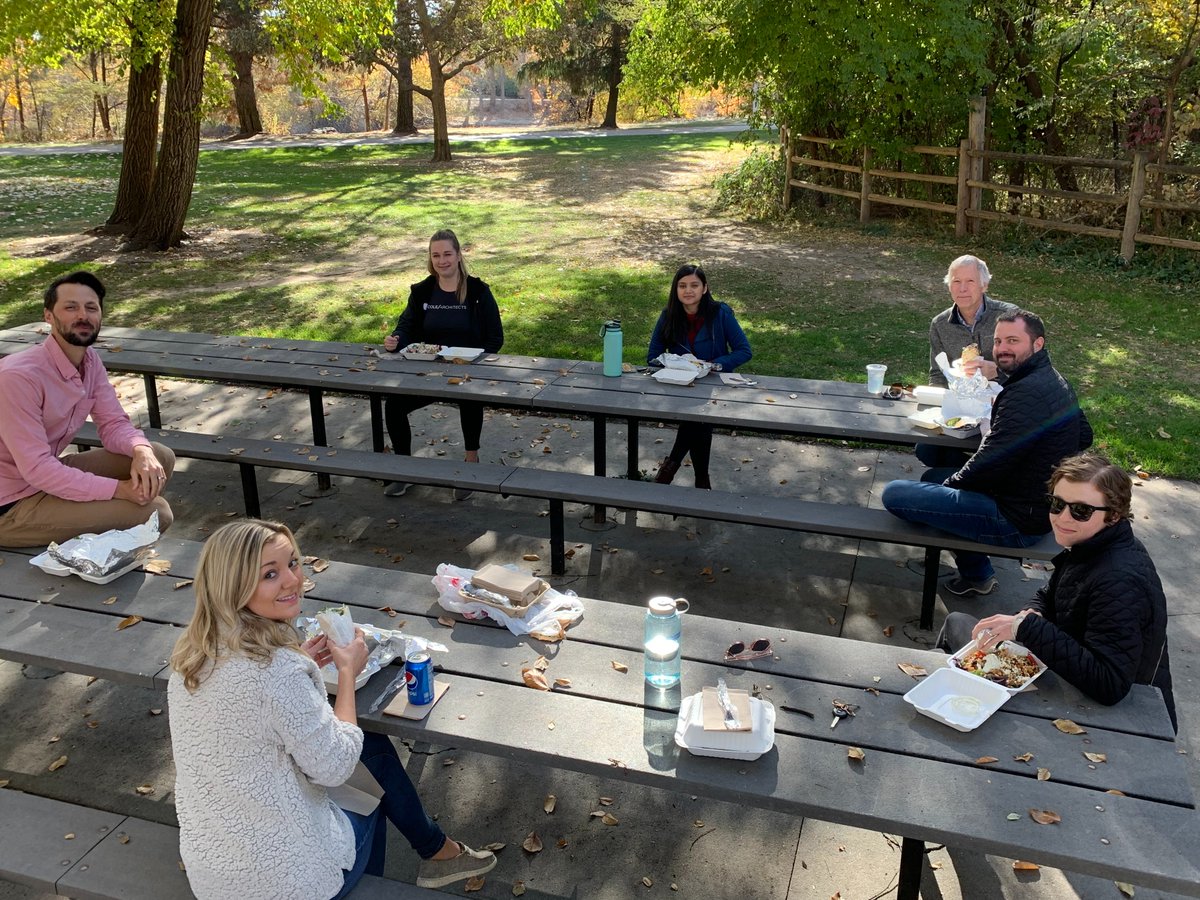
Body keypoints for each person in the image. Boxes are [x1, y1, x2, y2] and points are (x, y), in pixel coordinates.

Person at [168, 519, 497, 900]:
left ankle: (438, 851)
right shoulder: (277, 672)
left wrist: (302, 662)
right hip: (284, 885)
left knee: (368, 748)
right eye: (270, 574)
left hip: (213, 873)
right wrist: (346, 673)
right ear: (232, 585)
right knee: (371, 789)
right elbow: (336, 766)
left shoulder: (191, 658)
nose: (292, 580)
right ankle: (427, 856)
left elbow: (253, 714)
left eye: (292, 563)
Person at [937, 453, 1176, 732]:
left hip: (1119, 720)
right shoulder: (1092, 544)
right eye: (1057, 503)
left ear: (1113, 515)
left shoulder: (1119, 578)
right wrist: (1032, 615)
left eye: (1081, 510)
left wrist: (1026, 628)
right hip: (1073, 675)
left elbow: (1110, 684)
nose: (1063, 517)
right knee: (958, 624)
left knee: (959, 631)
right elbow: (1050, 595)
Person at [882, 310, 1092, 596]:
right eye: (998, 341)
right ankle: (977, 574)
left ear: (1038, 343)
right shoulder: (1054, 379)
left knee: (895, 493)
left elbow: (993, 460)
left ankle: (977, 572)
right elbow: (1085, 435)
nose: (1002, 348)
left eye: (1013, 340)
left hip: (1018, 520)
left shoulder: (1026, 391)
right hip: (1031, 501)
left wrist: (949, 488)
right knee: (932, 471)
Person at [0, 271, 175, 548]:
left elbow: (113, 424)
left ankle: (110, 523)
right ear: (48, 316)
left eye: (91, 308)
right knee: (157, 513)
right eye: (71, 307)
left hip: (43, 476)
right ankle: (94, 547)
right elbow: (37, 468)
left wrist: (140, 450)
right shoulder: (18, 377)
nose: (83, 315)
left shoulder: (90, 361)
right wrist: (119, 491)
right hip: (10, 503)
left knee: (158, 456)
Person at [383, 229, 503, 501]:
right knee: (394, 405)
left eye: (447, 254)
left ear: (458, 255)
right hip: (428, 369)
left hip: (467, 370)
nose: (442, 260)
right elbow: (407, 326)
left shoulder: (478, 291)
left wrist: (474, 360)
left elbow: (495, 338)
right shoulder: (422, 291)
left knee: (470, 399)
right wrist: (396, 339)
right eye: (436, 255)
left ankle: (471, 462)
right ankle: (404, 469)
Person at [647, 265, 752, 489]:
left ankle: (671, 468)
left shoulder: (720, 313)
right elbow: (652, 357)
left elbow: (744, 350)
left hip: (715, 384)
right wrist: (677, 364)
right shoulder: (668, 316)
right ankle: (701, 481)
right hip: (681, 385)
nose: (688, 290)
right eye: (682, 286)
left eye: (694, 285)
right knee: (698, 421)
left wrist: (715, 365)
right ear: (675, 289)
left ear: (704, 288)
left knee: (698, 419)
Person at [918, 255, 1017, 470]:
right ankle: (972, 475)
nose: (962, 288)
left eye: (970, 281)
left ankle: (981, 475)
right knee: (926, 448)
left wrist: (997, 370)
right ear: (949, 286)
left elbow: (1032, 368)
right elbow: (937, 374)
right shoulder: (940, 324)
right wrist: (938, 408)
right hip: (962, 408)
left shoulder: (1009, 317)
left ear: (984, 285)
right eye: (956, 281)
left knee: (995, 450)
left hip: (1003, 408)